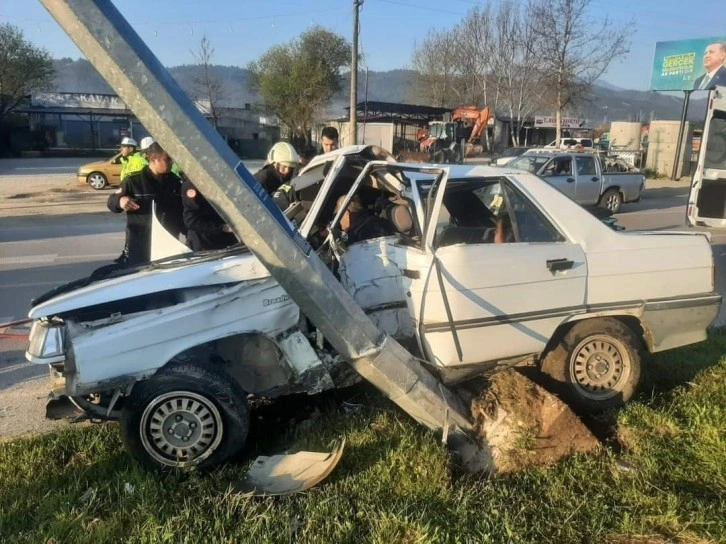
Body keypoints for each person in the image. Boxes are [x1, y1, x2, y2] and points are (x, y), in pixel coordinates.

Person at [107, 142, 185, 265]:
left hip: (169, 243)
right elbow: (111, 203)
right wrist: (120, 201)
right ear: (154, 159)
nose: (172, 163)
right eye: (167, 159)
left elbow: (182, 213)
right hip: (141, 245)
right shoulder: (133, 181)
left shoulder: (175, 182)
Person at [182, 179, 237, 251]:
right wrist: (220, 227)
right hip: (205, 243)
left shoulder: (221, 179)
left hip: (225, 240)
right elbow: (191, 220)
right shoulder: (192, 185)